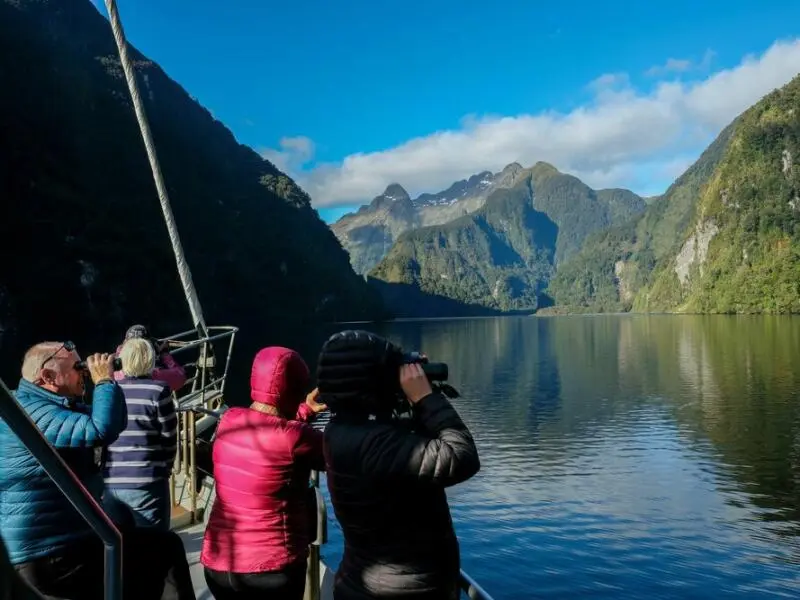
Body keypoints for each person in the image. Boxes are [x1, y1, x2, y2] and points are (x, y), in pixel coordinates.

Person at [317, 330, 481, 600]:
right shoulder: (377, 443)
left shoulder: (342, 430)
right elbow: (461, 457)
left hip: (364, 583)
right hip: (406, 591)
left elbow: (406, 449)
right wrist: (426, 399)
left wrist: (408, 403)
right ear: (373, 379)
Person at [0, 342, 127, 599]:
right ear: (48, 377)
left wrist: (107, 384)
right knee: (158, 553)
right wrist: (103, 382)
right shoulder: (36, 413)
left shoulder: (42, 405)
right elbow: (100, 430)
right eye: (78, 368)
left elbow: (115, 422)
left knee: (152, 545)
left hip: (57, 542)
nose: (84, 372)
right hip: (48, 554)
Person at [200, 346, 327, 600]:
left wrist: (304, 411)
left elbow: (270, 427)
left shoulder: (229, 420)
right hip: (270, 570)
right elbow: (341, 455)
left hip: (218, 566)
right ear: (294, 389)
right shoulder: (297, 438)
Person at [103, 337, 178, 531]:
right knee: (153, 545)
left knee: (120, 546)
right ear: (150, 360)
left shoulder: (110, 390)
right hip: (147, 481)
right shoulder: (158, 390)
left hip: (111, 482)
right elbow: (169, 438)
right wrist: (166, 469)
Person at [114, 324, 187, 392]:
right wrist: (164, 354)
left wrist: (120, 350)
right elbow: (181, 376)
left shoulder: (115, 374)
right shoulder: (155, 377)